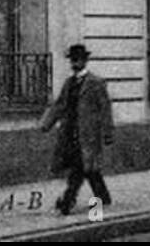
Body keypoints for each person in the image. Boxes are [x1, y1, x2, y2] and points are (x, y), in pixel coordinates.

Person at [39, 44, 114, 216]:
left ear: (85, 61)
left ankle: (67, 201)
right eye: (73, 60)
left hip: (89, 135)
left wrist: (107, 132)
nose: (75, 63)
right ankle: (103, 196)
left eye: (78, 59)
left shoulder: (96, 83)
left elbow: (105, 109)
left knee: (79, 169)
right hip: (70, 133)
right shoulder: (69, 83)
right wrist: (47, 123)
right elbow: (60, 105)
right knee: (88, 169)